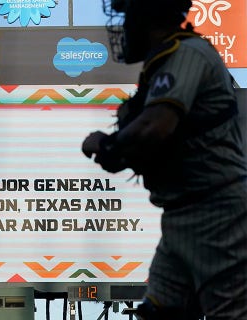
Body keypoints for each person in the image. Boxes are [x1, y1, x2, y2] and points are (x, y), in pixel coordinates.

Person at [81, 0, 247, 319]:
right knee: (160, 313)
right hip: (180, 217)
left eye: (128, 16)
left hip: (219, 215)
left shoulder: (188, 53)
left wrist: (107, 143)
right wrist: (117, 151)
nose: (124, 27)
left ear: (147, 16)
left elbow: (154, 127)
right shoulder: (161, 65)